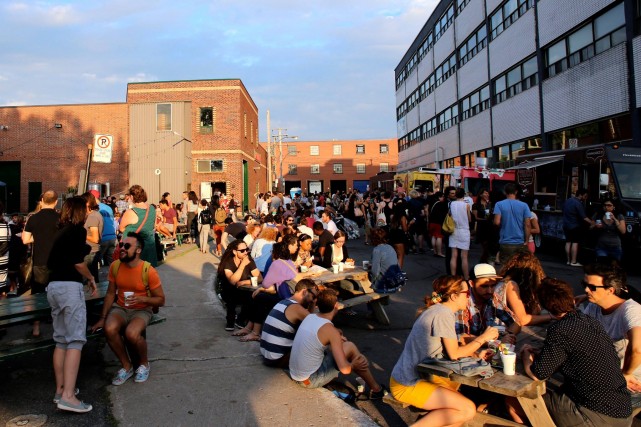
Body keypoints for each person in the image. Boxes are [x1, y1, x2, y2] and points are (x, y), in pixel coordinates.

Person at [519, 277, 632, 426]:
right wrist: (544, 352)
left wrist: (526, 355)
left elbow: (538, 373)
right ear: (572, 300)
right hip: (623, 410)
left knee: (520, 404)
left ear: (546, 307)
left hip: (594, 414)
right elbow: (578, 353)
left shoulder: (560, 330)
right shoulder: (590, 321)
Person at [390, 276, 496, 426]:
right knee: (466, 409)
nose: (469, 297)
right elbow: (454, 354)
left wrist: (476, 354)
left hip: (418, 377)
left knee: (459, 412)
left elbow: (448, 349)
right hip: (409, 383)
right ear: (454, 296)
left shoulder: (440, 310)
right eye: (467, 293)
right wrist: (484, 337)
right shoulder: (443, 314)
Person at [91, 232, 165, 385]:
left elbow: (161, 300)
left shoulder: (148, 270)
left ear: (138, 250)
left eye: (127, 246)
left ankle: (144, 364)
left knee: (131, 333)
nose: (122, 248)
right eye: (121, 245)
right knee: (109, 328)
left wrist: (143, 298)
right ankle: (127, 365)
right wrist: (102, 318)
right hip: (121, 307)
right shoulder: (115, 266)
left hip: (142, 309)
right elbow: (111, 293)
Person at [46, 197, 97, 413]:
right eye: (85, 208)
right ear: (79, 211)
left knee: (60, 340)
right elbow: (77, 263)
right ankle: (69, 396)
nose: (87, 211)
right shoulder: (78, 230)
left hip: (53, 287)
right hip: (69, 288)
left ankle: (61, 390)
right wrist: (91, 278)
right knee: (75, 339)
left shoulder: (60, 231)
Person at [288, 288, 387, 398]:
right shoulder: (331, 331)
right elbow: (345, 369)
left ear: (318, 305)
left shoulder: (310, 316)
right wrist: (354, 364)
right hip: (309, 380)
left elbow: (320, 337)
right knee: (350, 347)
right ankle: (376, 389)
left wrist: (337, 336)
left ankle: (376, 388)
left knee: (346, 347)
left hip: (295, 374)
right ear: (336, 306)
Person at [578, 263, 641, 395]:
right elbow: (581, 335)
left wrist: (625, 374)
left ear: (610, 290)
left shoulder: (631, 310)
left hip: (632, 382)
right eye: (584, 285)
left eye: (592, 287)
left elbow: (637, 349)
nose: (586, 290)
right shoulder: (594, 306)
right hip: (605, 375)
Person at [22, 190, 60, 337]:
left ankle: (36, 328)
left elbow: (25, 240)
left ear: (42, 200)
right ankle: (57, 326)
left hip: (39, 260)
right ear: (56, 202)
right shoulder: (60, 218)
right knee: (57, 294)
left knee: (37, 295)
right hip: (57, 261)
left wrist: (37, 238)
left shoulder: (33, 218)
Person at [260, 279, 319, 367]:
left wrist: (312, 304)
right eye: (313, 296)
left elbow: (308, 321)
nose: (313, 300)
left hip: (267, 355)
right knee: (317, 344)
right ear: (304, 292)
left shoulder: (284, 302)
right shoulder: (296, 308)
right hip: (277, 358)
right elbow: (318, 327)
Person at [456, 264, 520, 342]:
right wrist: (495, 341)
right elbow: (460, 337)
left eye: (493, 285)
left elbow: (516, 322)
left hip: (484, 346)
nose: (489, 291)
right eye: (484, 286)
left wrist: (509, 335)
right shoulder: (462, 301)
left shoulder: (492, 297)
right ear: (471, 283)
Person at [494, 252, 551, 326]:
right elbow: (522, 319)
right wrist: (551, 316)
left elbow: (535, 311)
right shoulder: (510, 285)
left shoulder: (507, 282)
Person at [218, 240, 262, 331]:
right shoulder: (228, 262)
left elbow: (260, 278)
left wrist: (245, 282)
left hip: (243, 290)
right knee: (231, 295)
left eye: (247, 249)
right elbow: (233, 281)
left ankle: (241, 319)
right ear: (234, 252)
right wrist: (242, 265)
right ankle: (230, 320)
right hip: (228, 290)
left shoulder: (248, 260)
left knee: (252, 297)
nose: (245, 252)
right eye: (242, 251)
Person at [119, 185, 158, 267]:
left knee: (133, 274)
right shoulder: (152, 209)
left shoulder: (131, 212)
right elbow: (153, 226)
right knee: (147, 273)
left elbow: (121, 228)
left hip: (134, 249)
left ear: (132, 197)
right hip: (149, 247)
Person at [493, 183, 531, 265]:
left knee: (506, 266)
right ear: (516, 192)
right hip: (520, 242)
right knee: (519, 266)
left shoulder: (499, 204)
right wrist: (527, 241)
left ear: (505, 192)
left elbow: (496, 222)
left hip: (505, 242)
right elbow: (527, 224)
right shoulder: (524, 206)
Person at [562, 188, 593, 266]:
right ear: (580, 195)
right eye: (585, 196)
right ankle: (574, 261)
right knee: (575, 243)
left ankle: (568, 260)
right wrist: (593, 222)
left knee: (568, 242)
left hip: (566, 225)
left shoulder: (568, 200)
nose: (586, 198)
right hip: (575, 225)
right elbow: (584, 217)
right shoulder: (578, 203)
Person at [449, 188, 471, 280]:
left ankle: (453, 276)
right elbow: (469, 219)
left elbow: (449, 215)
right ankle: (466, 277)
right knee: (464, 257)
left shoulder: (451, 204)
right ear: (464, 195)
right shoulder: (466, 205)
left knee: (454, 255)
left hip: (453, 230)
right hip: (464, 230)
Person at [81, 191, 103, 283]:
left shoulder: (92, 217)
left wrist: (81, 234)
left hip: (91, 251)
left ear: (87, 203)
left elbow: (95, 238)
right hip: (92, 251)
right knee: (92, 278)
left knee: (88, 279)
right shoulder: (94, 215)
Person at [95, 190, 117, 268]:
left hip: (103, 238)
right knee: (111, 264)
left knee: (96, 262)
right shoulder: (108, 207)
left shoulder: (94, 208)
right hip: (112, 237)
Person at [472, 189, 492, 263]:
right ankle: (484, 261)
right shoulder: (476, 205)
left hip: (489, 226)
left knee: (488, 245)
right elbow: (475, 217)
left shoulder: (489, 204)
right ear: (481, 195)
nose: (487, 195)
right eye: (485, 193)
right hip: (481, 227)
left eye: (488, 193)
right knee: (484, 245)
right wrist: (485, 219)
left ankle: (484, 261)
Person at [428, 191, 447, 258]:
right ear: (439, 197)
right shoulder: (441, 204)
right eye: (442, 196)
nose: (443, 198)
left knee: (433, 236)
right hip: (438, 222)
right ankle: (439, 252)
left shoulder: (433, 203)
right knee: (439, 237)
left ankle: (435, 252)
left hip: (432, 222)